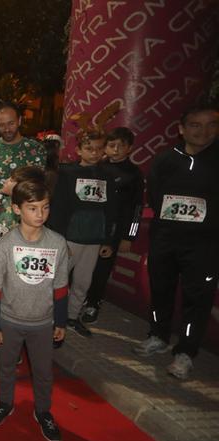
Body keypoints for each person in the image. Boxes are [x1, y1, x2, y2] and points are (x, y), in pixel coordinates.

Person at [135, 105, 219, 379]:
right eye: (195, 124)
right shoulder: (165, 160)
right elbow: (156, 198)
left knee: (197, 299)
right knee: (161, 290)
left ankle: (186, 351)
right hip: (165, 240)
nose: (203, 131)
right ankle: (158, 335)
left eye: (211, 125)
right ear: (182, 129)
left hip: (204, 246)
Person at [0, 179, 68, 441]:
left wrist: (61, 321)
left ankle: (43, 411)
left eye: (45, 208)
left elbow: (61, 286)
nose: (40, 214)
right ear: (17, 209)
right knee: (6, 367)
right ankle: (4, 402)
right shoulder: (6, 244)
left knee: (43, 371)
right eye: (33, 208)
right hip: (9, 320)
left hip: (43, 322)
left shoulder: (57, 243)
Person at [48, 127, 117, 339]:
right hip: (70, 238)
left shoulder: (107, 175)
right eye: (89, 148)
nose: (94, 153)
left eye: (98, 149)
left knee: (83, 282)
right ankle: (50, 316)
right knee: (57, 279)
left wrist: (108, 240)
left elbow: (111, 210)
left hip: (94, 239)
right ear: (79, 150)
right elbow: (58, 208)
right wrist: (59, 239)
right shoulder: (67, 173)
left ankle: (71, 316)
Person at [81, 127, 143, 324]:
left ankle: (93, 303)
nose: (115, 149)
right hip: (91, 226)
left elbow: (137, 208)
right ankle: (80, 298)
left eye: (121, 146)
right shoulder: (97, 166)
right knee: (84, 267)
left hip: (114, 230)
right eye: (111, 145)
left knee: (102, 268)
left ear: (130, 148)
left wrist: (129, 236)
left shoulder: (134, 173)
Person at [0, 102, 47, 263]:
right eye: (1, 125)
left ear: (19, 120)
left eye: (11, 123)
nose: (7, 129)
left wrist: (16, 190)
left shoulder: (35, 150)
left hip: (24, 222)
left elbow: (39, 189)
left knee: (16, 266)